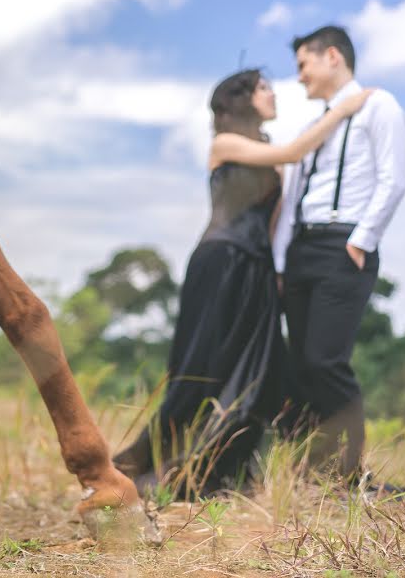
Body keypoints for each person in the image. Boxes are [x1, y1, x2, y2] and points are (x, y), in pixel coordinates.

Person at [113, 68, 373, 495]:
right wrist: (342, 110)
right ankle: (133, 469)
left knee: (263, 375)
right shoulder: (226, 143)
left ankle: (223, 471)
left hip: (257, 270)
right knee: (199, 371)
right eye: (264, 88)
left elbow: (274, 224)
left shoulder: (268, 149)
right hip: (220, 263)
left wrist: (277, 277)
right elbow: (295, 153)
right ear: (241, 98)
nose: (273, 94)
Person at [273, 26, 405, 481]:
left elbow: (393, 179)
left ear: (332, 56)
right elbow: (291, 201)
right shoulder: (313, 126)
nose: (300, 77)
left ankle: (349, 474)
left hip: (343, 246)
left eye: (303, 65)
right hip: (301, 250)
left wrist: (360, 241)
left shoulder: (378, 104)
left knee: (325, 360)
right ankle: (313, 471)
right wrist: (279, 263)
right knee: (300, 365)